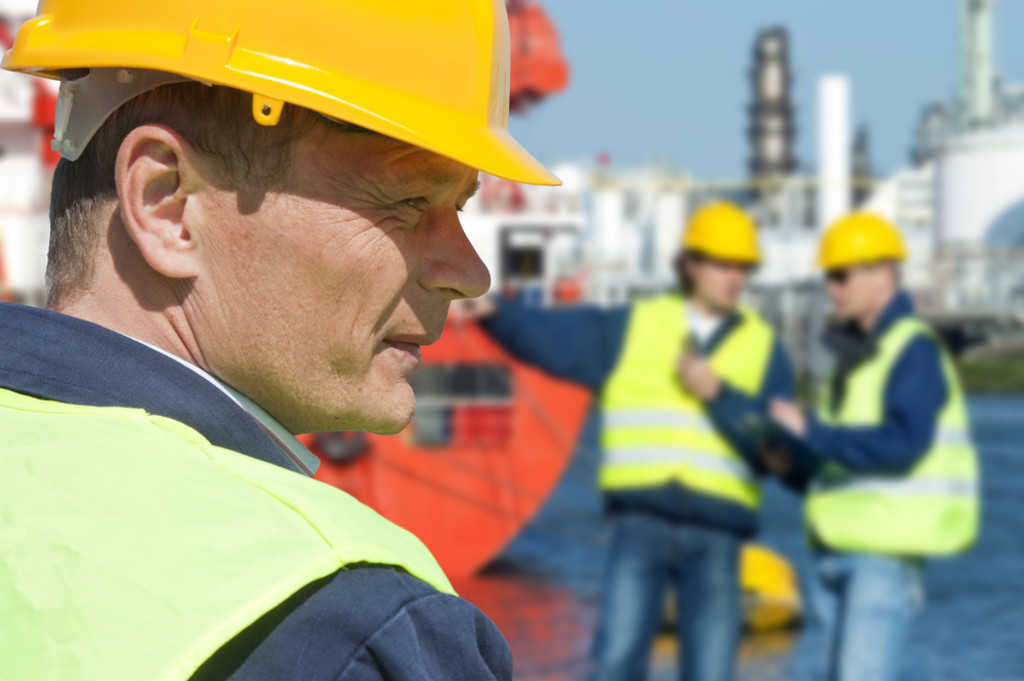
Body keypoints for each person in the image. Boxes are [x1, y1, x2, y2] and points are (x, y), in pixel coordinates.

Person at [0, 1, 560, 680]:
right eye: (407, 202)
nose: (470, 274)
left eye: (460, 207)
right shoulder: (348, 625)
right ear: (166, 202)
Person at [464, 202, 795, 681]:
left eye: (743, 267)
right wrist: (496, 311)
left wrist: (720, 397)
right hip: (640, 526)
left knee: (712, 672)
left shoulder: (766, 350)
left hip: (718, 536)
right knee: (616, 664)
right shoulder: (636, 326)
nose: (734, 277)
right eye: (723, 264)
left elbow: (778, 452)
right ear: (692, 265)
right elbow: (558, 338)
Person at [768, 212, 980, 681]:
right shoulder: (854, 359)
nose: (832, 288)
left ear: (884, 274)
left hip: (880, 560)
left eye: (841, 275)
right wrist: (790, 464)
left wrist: (812, 432)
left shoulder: (913, 349)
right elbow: (846, 458)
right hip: (831, 554)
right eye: (828, 277)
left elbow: (903, 444)